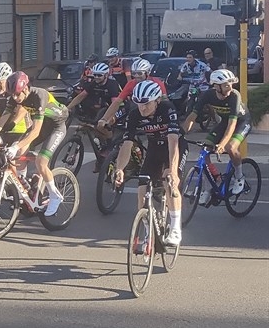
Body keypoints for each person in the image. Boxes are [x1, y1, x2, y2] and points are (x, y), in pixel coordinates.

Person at [0, 72, 69, 216]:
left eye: (18, 94)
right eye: (12, 95)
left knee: (41, 162)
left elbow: (35, 132)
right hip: (41, 124)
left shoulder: (39, 95)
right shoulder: (14, 98)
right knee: (18, 153)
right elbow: (2, 121)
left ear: (26, 88)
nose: (15, 98)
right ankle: (25, 189)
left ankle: (55, 195)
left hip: (56, 127)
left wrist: (15, 146)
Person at [113, 80, 186, 247]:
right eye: (139, 104)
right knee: (142, 190)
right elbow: (127, 144)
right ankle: (149, 233)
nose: (142, 108)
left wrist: (173, 171)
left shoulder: (167, 109)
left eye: (146, 104)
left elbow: (173, 142)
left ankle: (175, 228)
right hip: (154, 148)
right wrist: (120, 169)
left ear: (157, 100)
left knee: (169, 181)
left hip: (175, 146)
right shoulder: (135, 115)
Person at [182, 69, 251, 204]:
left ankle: (239, 177)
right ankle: (210, 185)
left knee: (231, 147)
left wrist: (222, 144)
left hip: (242, 122)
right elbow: (192, 117)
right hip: (225, 122)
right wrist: (180, 134)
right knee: (205, 149)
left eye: (230, 84)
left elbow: (232, 124)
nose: (229, 87)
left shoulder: (234, 95)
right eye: (226, 85)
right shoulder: (208, 95)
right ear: (216, 86)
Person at [98, 57, 167, 129]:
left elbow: (165, 101)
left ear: (147, 73)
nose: (136, 76)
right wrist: (104, 119)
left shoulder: (157, 83)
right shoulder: (131, 83)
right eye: (134, 73)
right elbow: (117, 101)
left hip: (154, 112)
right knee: (130, 106)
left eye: (139, 73)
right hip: (136, 111)